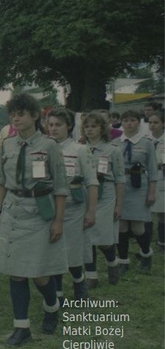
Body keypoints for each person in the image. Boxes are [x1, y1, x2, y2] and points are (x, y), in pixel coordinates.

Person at [0, 93, 68, 346]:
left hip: (39, 214)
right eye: (13, 114)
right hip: (14, 210)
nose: (16, 118)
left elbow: (60, 187)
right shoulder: (8, 145)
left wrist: (58, 221)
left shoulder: (49, 146)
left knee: (39, 275)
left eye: (21, 113)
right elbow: (1, 180)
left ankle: (51, 305)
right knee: (15, 272)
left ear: (35, 116)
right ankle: (21, 327)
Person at [46, 107, 98, 300]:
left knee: (73, 250)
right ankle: (57, 293)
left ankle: (78, 281)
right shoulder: (44, 148)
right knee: (54, 249)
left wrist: (91, 212)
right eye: (50, 125)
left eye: (58, 125)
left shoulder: (80, 150)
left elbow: (92, 181)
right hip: (50, 208)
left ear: (69, 126)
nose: (53, 129)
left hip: (73, 207)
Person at [81, 111, 125, 288]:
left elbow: (120, 179)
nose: (90, 130)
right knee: (87, 235)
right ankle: (91, 276)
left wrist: (119, 205)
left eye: (94, 126)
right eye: (87, 126)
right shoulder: (80, 148)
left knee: (104, 238)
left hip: (106, 193)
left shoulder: (113, 150)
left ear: (102, 128)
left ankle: (112, 261)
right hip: (86, 193)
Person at [113, 109, 157, 272]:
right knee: (122, 226)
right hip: (121, 186)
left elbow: (152, 170)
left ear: (139, 123)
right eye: (125, 120)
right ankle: (123, 261)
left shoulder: (147, 143)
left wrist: (152, 192)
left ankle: (146, 254)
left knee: (138, 227)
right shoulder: (116, 142)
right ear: (121, 123)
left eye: (132, 120)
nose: (129, 123)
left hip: (139, 186)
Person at [147, 110, 164, 250]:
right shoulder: (146, 140)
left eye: (156, 122)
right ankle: (146, 242)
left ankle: (162, 241)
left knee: (162, 212)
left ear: (163, 124)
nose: (152, 125)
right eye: (150, 122)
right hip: (148, 178)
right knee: (148, 210)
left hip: (162, 176)